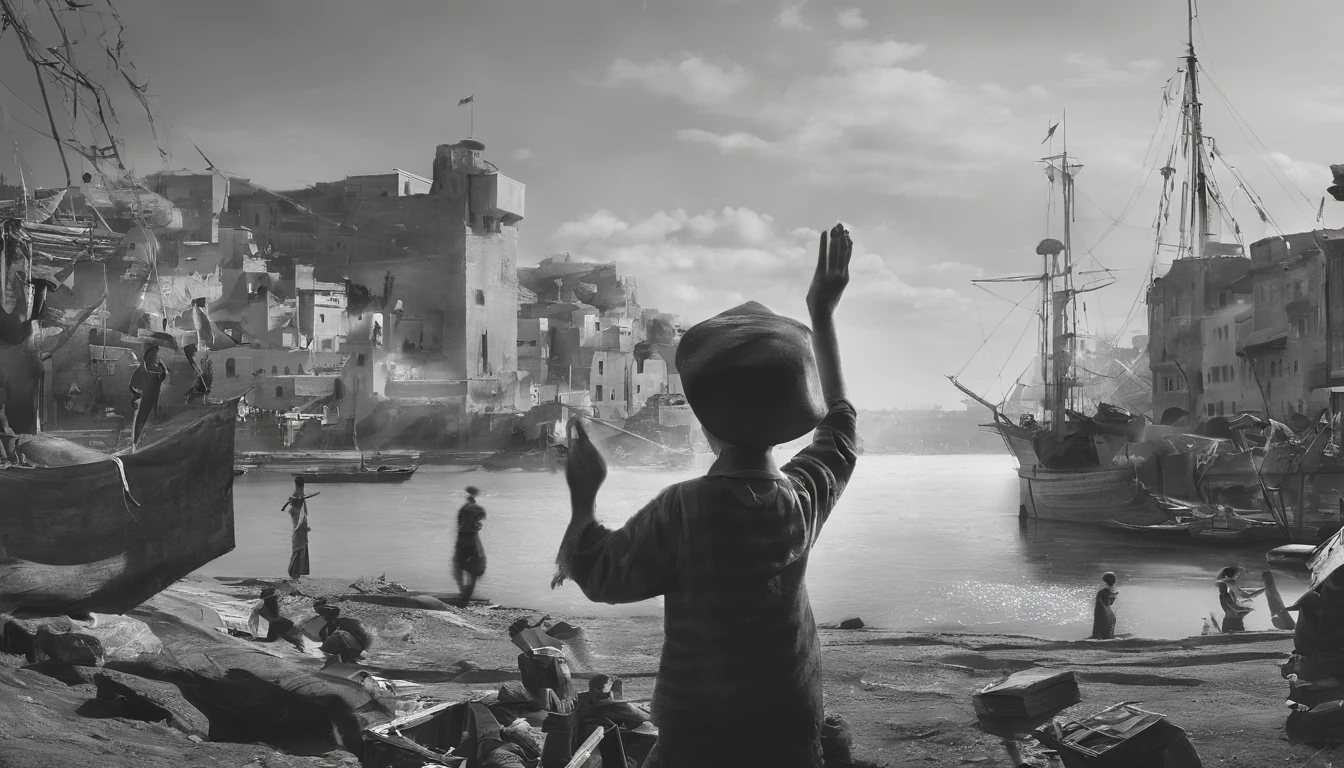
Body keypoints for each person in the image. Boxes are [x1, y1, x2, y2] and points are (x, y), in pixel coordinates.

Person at [552, 223, 858, 767]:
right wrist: (822, 314)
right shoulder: (801, 499)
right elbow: (841, 423)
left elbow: (602, 577)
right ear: (789, 415)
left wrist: (584, 495)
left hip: (698, 734)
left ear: (706, 423)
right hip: (790, 722)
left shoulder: (685, 508)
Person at [128, 343, 168, 449]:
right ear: (149, 356)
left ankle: (146, 444)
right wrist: (137, 394)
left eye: (156, 355)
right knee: (141, 420)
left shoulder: (158, 369)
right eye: (154, 355)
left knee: (152, 421)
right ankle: (135, 444)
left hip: (154, 398)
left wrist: (162, 367)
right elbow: (132, 385)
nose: (156, 357)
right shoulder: (141, 369)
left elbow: (163, 376)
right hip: (144, 399)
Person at [453, 486, 487, 606]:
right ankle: (465, 597)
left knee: (461, 565)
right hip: (471, 538)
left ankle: (463, 593)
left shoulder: (463, 509)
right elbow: (480, 519)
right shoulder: (478, 509)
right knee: (473, 568)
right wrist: (477, 525)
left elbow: (460, 523)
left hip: (462, 537)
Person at [314, 600, 372, 667]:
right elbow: (329, 647)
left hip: (355, 648)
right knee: (337, 637)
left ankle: (345, 660)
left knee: (339, 635)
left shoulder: (349, 623)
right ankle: (339, 661)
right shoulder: (324, 630)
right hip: (345, 652)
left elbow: (366, 634)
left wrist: (364, 650)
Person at [283, 478, 319, 580]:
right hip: (298, 529)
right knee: (297, 550)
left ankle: (296, 574)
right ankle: (294, 573)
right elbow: (299, 516)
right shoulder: (296, 498)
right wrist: (302, 527)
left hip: (300, 529)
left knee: (300, 550)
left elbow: (302, 514)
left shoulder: (299, 497)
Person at [1217, 566, 1264, 633]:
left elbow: (1248, 597)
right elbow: (1235, 608)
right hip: (1232, 621)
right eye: (1236, 575)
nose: (1237, 578)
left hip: (1231, 620)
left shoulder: (1227, 593)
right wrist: (1247, 610)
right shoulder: (1226, 594)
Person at [1090, 572, 1119, 639]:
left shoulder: (1102, 591)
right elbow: (1109, 603)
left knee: (1099, 631)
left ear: (1104, 580)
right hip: (1110, 613)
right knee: (1108, 632)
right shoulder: (1116, 591)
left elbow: (1104, 602)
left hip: (1102, 612)